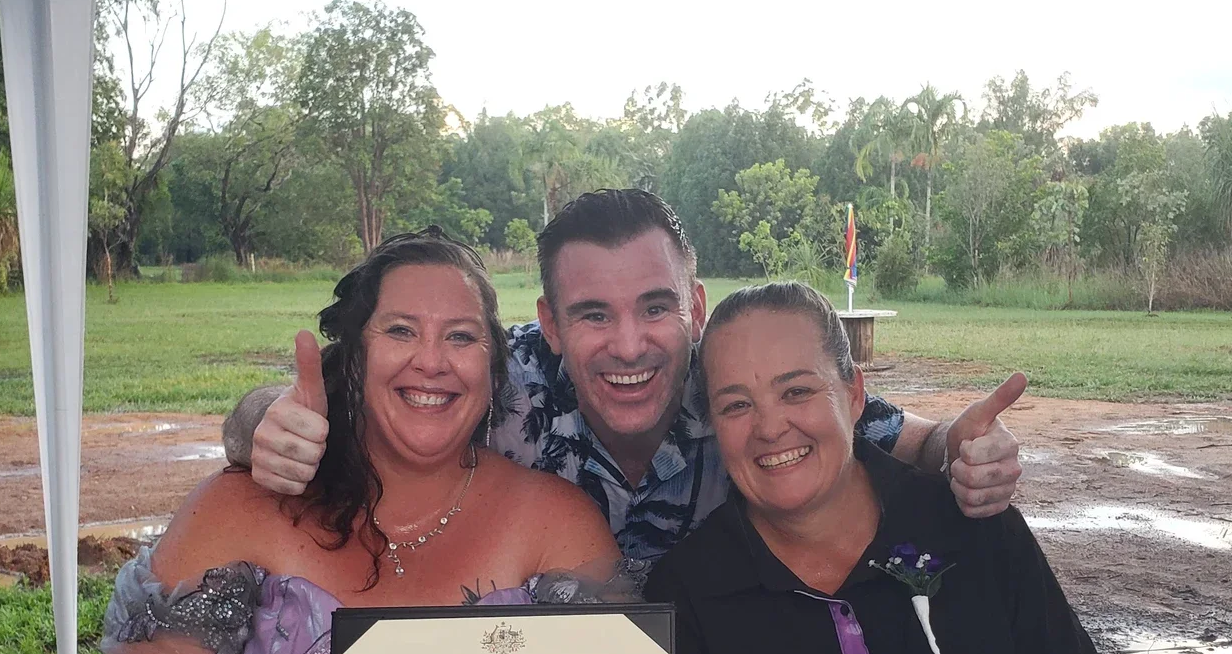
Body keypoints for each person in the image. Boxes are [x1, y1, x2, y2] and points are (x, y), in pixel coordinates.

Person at [92, 229, 732, 654]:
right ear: (357, 354)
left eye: (461, 337)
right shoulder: (242, 507)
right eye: (401, 331)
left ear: (495, 367)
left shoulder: (554, 524)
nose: (432, 361)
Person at [224, 190, 1029, 567]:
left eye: (655, 307)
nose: (630, 344)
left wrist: (968, 448)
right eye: (594, 316)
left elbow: (906, 440)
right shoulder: (487, 380)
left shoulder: (737, 383)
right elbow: (291, 407)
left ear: (696, 305)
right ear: (548, 322)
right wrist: (263, 422)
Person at [645, 282, 1157, 654]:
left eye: (797, 391)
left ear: (853, 395)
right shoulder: (688, 594)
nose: (770, 427)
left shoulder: (976, 534)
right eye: (736, 405)